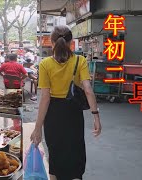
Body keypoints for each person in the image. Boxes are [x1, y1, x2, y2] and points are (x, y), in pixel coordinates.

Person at [30, 25, 102, 180]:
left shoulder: (45, 64)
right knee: (75, 151)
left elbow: (45, 98)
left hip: (53, 115)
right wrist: (96, 116)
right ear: (71, 42)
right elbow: (88, 90)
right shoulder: (80, 61)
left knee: (55, 155)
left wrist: (37, 128)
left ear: (52, 42)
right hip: (73, 112)